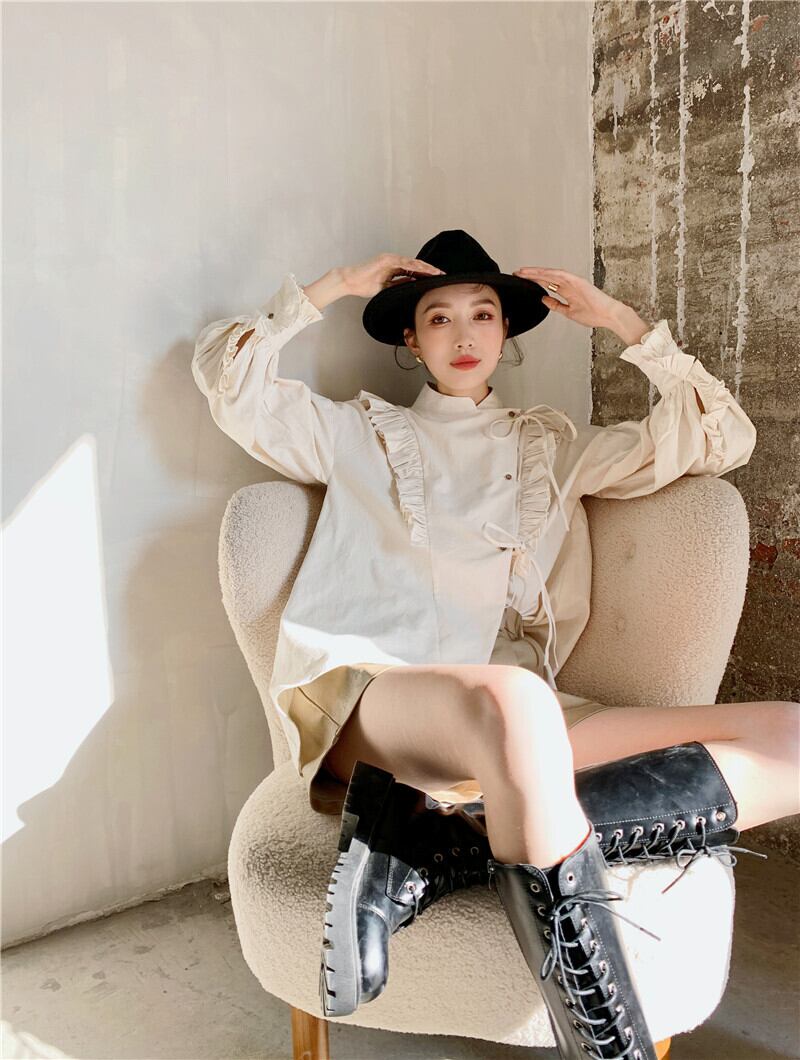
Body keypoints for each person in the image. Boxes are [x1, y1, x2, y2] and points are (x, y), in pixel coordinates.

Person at [192, 230, 799, 1059]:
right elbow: (230, 383)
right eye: (439, 318)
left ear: (507, 331)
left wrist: (622, 323)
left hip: (525, 728)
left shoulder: (552, 447)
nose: (465, 334)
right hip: (381, 705)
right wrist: (333, 285)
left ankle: (445, 843)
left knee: (787, 735)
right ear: (411, 340)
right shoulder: (356, 432)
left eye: (483, 314)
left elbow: (722, 440)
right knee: (513, 699)